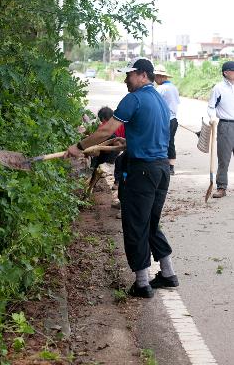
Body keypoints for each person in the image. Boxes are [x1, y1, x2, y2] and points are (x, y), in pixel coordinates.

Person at [65, 57, 179, 298]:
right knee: (150, 222)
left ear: (142, 75)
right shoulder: (159, 99)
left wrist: (79, 146)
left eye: (129, 75)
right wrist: (129, 142)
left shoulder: (134, 98)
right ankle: (168, 273)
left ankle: (142, 283)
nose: (125, 79)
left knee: (136, 224)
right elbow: (156, 133)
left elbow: (106, 129)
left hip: (142, 171)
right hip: (160, 170)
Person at [207, 61, 234, 198]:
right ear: (226, 72)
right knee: (224, 158)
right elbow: (211, 106)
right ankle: (221, 187)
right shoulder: (218, 88)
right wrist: (212, 118)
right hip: (226, 125)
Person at [154, 65, 180, 175]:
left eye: (155, 77)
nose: (154, 79)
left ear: (160, 76)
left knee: (163, 142)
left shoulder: (161, 89)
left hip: (165, 120)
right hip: (173, 119)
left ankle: (164, 165)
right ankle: (171, 167)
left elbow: (154, 104)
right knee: (171, 142)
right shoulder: (173, 87)